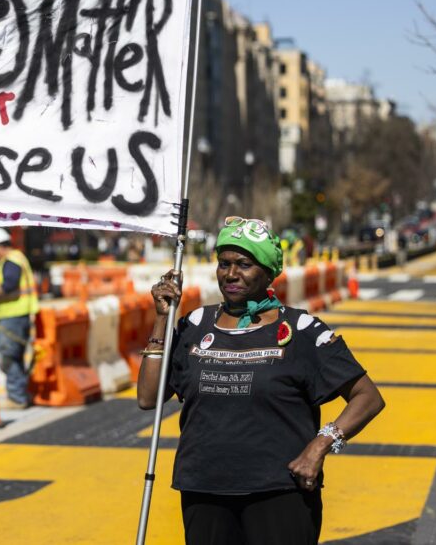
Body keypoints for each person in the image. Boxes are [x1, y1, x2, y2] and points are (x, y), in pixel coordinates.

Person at [138, 216, 385, 545]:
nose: (231, 274)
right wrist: (161, 320)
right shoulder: (195, 324)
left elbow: (368, 397)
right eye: (223, 263)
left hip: (280, 493)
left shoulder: (302, 330)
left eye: (244, 264)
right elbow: (148, 397)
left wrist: (319, 447)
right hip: (204, 489)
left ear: (268, 271)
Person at [0, 227, 39, 409]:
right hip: (17, 316)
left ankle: (16, 397)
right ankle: (21, 394)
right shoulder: (18, 258)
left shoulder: (10, 261)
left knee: (8, 359)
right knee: (17, 357)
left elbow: (9, 284)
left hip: (12, 317)